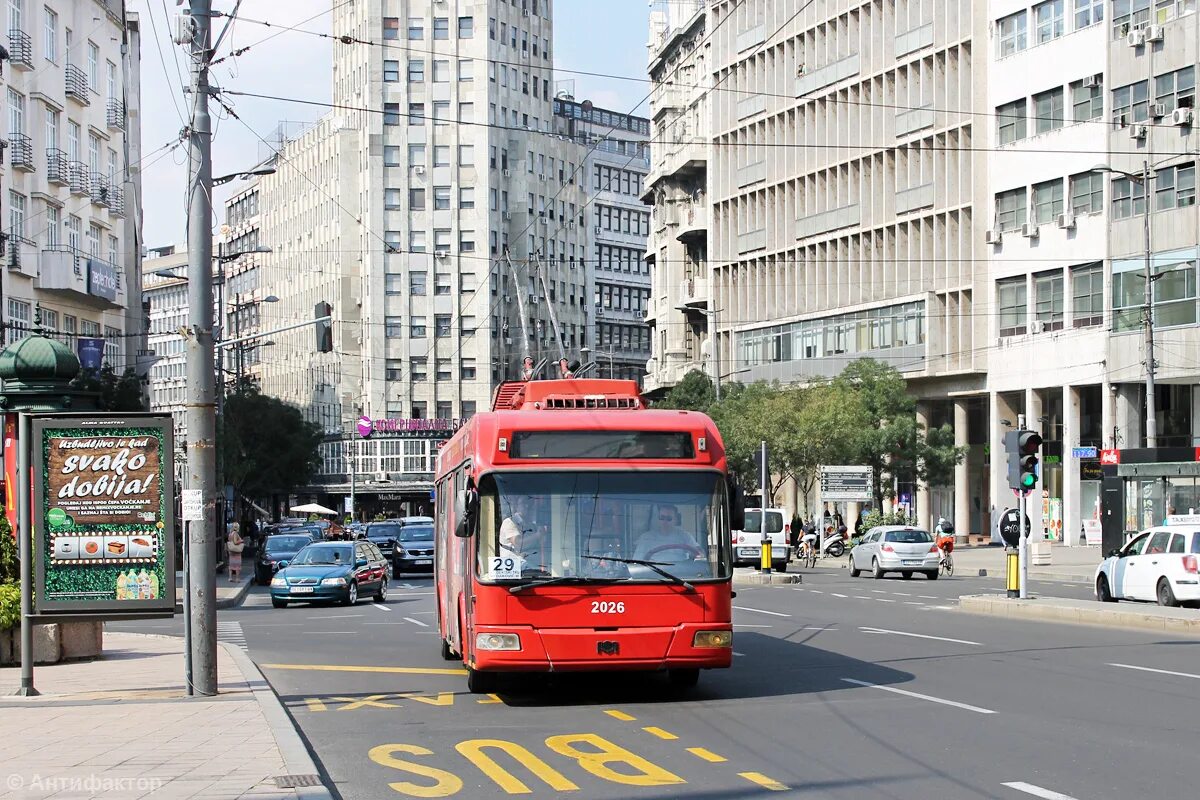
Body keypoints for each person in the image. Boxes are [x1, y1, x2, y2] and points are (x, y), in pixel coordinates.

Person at [632, 504, 697, 561]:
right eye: (662, 518)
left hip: (682, 574)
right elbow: (637, 562)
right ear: (658, 519)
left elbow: (698, 555)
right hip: (653, 574)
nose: (664, 522)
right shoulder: (646, 538)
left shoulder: (685, 536)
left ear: (676, 520)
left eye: (669, 518)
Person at [499, 496, 548, 571]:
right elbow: (518, 543)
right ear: (517, 506)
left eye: (529, 504)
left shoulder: (531, 525)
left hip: (532, 567)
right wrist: (537, 535)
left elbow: (540, 546)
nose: (527, 506)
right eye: (523, 503)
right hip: (512, 569)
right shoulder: (510, 522)